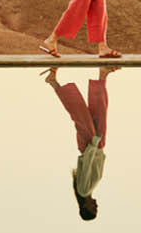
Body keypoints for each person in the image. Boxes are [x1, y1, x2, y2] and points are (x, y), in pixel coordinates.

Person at [42, 64, 121, 220]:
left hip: (90, 145)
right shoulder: (89, 189)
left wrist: (93, 143)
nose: (96, 206)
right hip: (96, 145)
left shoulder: (84, 190)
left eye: (94, 210)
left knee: (78, 112)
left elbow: (87, 164)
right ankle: (102, 75)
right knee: (100, 110)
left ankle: (53, 83)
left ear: (86, 207)